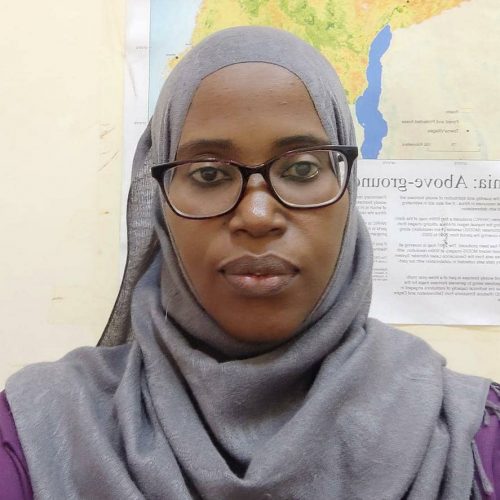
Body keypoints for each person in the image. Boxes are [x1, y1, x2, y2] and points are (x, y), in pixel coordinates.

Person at [1, 26, 498, 499]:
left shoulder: (469, 440)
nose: (258, 216)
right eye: (210, 173)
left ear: (349, 190)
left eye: (303, 168)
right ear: (160, 203)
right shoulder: (38, 432)